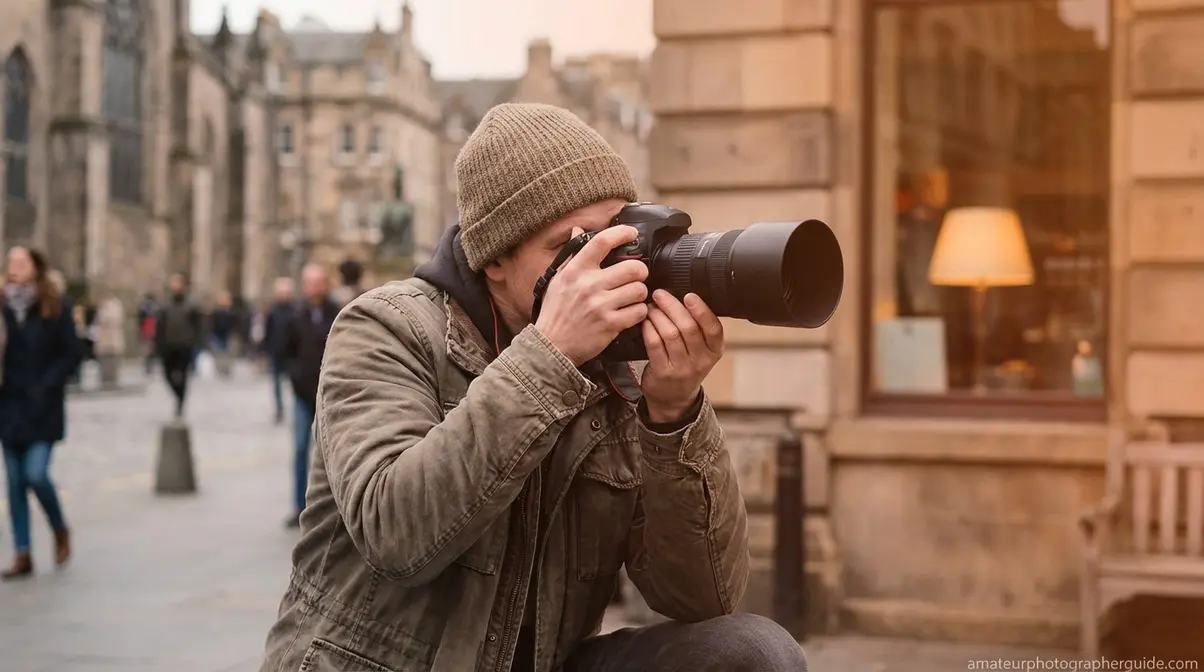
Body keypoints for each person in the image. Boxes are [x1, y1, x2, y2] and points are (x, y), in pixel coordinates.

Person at [260, 103, 807, 671]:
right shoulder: (386, 328)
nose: (604, 269)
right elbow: (396, 535)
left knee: (749, 653)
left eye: (618, 239)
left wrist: (674, 415)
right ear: (495, 258)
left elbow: (703, 597)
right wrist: (549, 357)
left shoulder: (615, 370)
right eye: (573, 247)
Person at [0, 246, 83, 580]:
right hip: (7, 407)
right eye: (10, 263)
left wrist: (50, 383)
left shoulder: (55, 306)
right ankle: (23, 553)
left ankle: (60, 528)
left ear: (36, 267)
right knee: (15, 484)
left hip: (42, 407)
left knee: (36, 474)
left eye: (20, 262)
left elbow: (72, 353)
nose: (13, 268)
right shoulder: (2, 307)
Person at [280, 264, 338, 529]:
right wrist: (295, 380)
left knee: (332, 451)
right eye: (310, 282)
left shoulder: (336, 312)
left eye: (319, 282)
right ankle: (300, 506)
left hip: (330, 394)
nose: (315, 287)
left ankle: (333, 506)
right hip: (303, 395)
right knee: (301, 449)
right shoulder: (295, 315)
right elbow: (286, 352)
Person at [155, 274, 203, 418]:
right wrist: (158, 345)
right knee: (167, 374)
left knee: (183, 376)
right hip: (169, 346)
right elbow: (160, 327)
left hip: (184, 346)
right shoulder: (166, 306)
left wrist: (195, 343)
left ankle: (181, 402)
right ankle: (178, 396)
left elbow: (198, 326)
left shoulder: (191, 305)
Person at [263, 277, 296, 424]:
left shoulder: (296, 310)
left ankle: (295, 408)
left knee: (295, 382)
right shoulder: (273, 311)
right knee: (276, 382)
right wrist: (267, 348)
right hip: (276, 351)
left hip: (292, 353)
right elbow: (268, 330)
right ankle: (279, 408)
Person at [137, 292, 160, 375]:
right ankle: (149, 366)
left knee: (147, 349)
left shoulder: (143, 308)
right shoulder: (156, 307)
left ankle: (148, 366)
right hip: (152, 330)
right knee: (151, 350)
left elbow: (140, 320)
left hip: (146, 330)